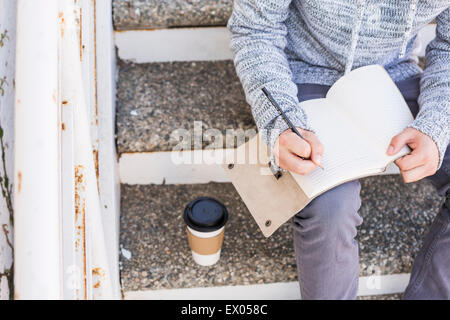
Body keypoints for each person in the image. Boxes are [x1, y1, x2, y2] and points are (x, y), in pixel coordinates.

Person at [228, 0, 450, 299]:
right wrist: (280, 121)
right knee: (328, 207)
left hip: (393, 73)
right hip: (302, 73)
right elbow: (255, 27)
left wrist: (435, 125)